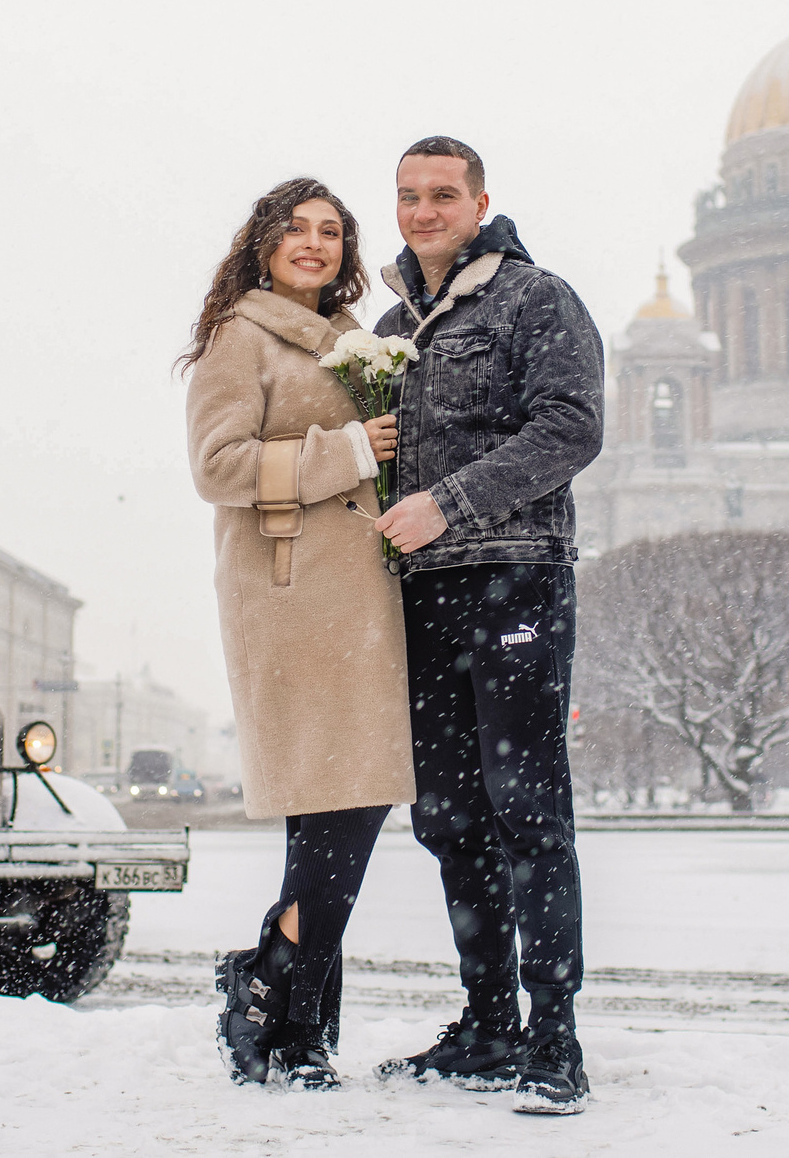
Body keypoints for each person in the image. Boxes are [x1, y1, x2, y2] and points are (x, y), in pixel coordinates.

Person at [369, 136, 605, 1115]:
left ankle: (555, 1037)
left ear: (479, 202)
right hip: (421, 598)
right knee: (447, 816)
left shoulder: (534, 299)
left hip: (513, 581)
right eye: (408, 196)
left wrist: (448, 503)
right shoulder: (388, 326)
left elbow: (568, 430)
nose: (423, 211)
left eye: (441, 195)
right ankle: (485, 1026)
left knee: (527, 810)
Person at [183, 178, 413, 1090]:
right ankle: (273, 980)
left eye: (330, 231)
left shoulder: (354, 342)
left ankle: (296, 1027)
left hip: (360, 600)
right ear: (264, 244)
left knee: (339, 809)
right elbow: (217, 465)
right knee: (341, 800)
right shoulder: (240, 340)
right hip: (291, 599)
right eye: (296, 229)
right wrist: (351, 451)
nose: (313, 243)